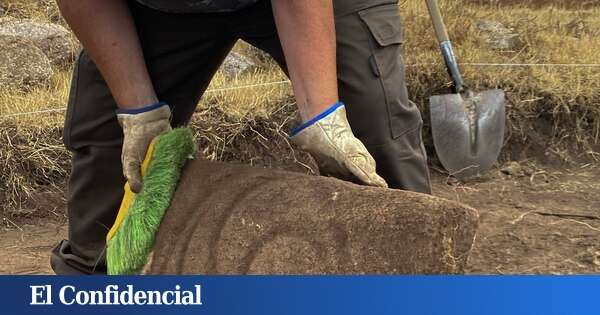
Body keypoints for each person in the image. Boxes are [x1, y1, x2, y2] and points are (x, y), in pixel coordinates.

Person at [51, 0, 430, 275]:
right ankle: (95, 287)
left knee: (373, 133)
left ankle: (413, 287)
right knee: (112, 151)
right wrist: (139, 113)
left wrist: (324, 116)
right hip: (161, 9)